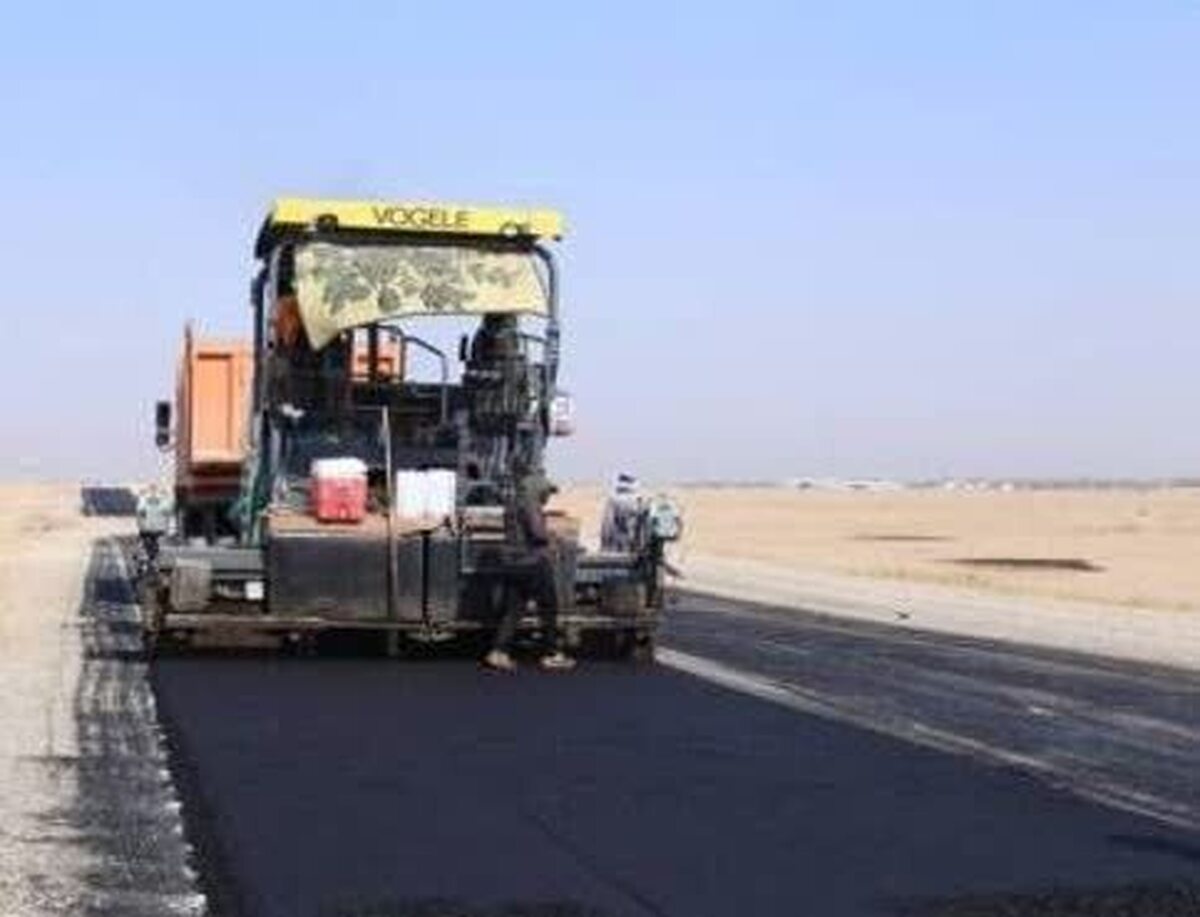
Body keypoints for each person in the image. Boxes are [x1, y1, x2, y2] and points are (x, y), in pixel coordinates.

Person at [484, 460, 575, 672]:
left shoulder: (512, 504)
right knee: (549, 607)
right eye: (546, 492)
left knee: (514, 609)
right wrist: (551, 537)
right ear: (536, 488)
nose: (547, 497)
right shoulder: (530, 505)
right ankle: (551, 653)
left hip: (511, 564)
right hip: (532, 563)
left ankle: (498, 651)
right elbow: (536, 533)